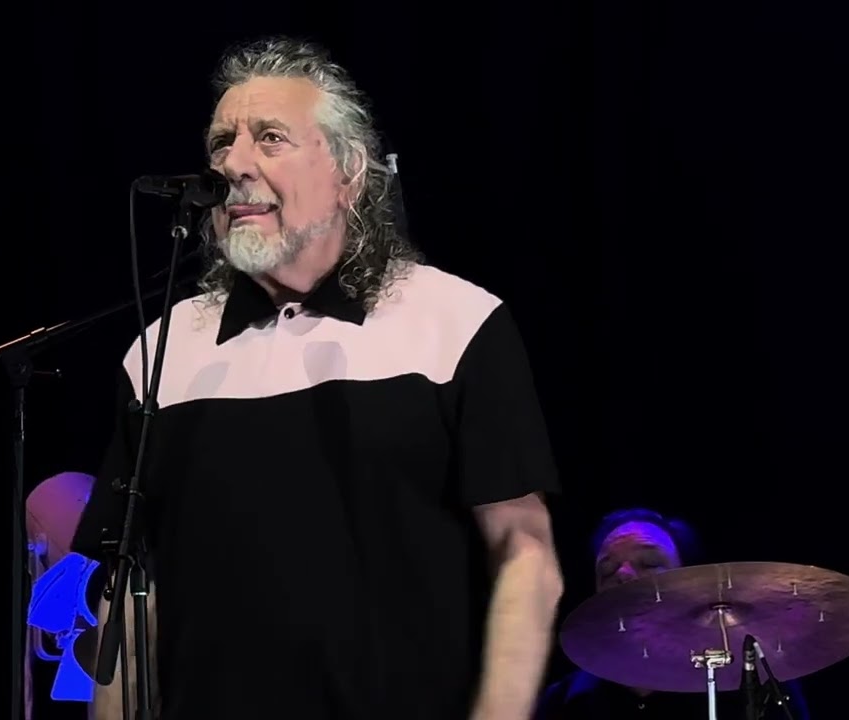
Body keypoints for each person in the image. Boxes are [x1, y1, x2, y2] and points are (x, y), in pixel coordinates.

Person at [70, 36, 564, 720]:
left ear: (348, 173)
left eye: (270, 138)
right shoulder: (163, 349)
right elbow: (128, 592)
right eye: (221, 143)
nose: (233, 164)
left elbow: (524, 550)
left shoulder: (453, 321)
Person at [533, 508, 811, 720]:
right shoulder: (563, 702)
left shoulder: (754, 684)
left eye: (649, 564)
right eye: (607, 571)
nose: (624, 574)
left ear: (691, 586)